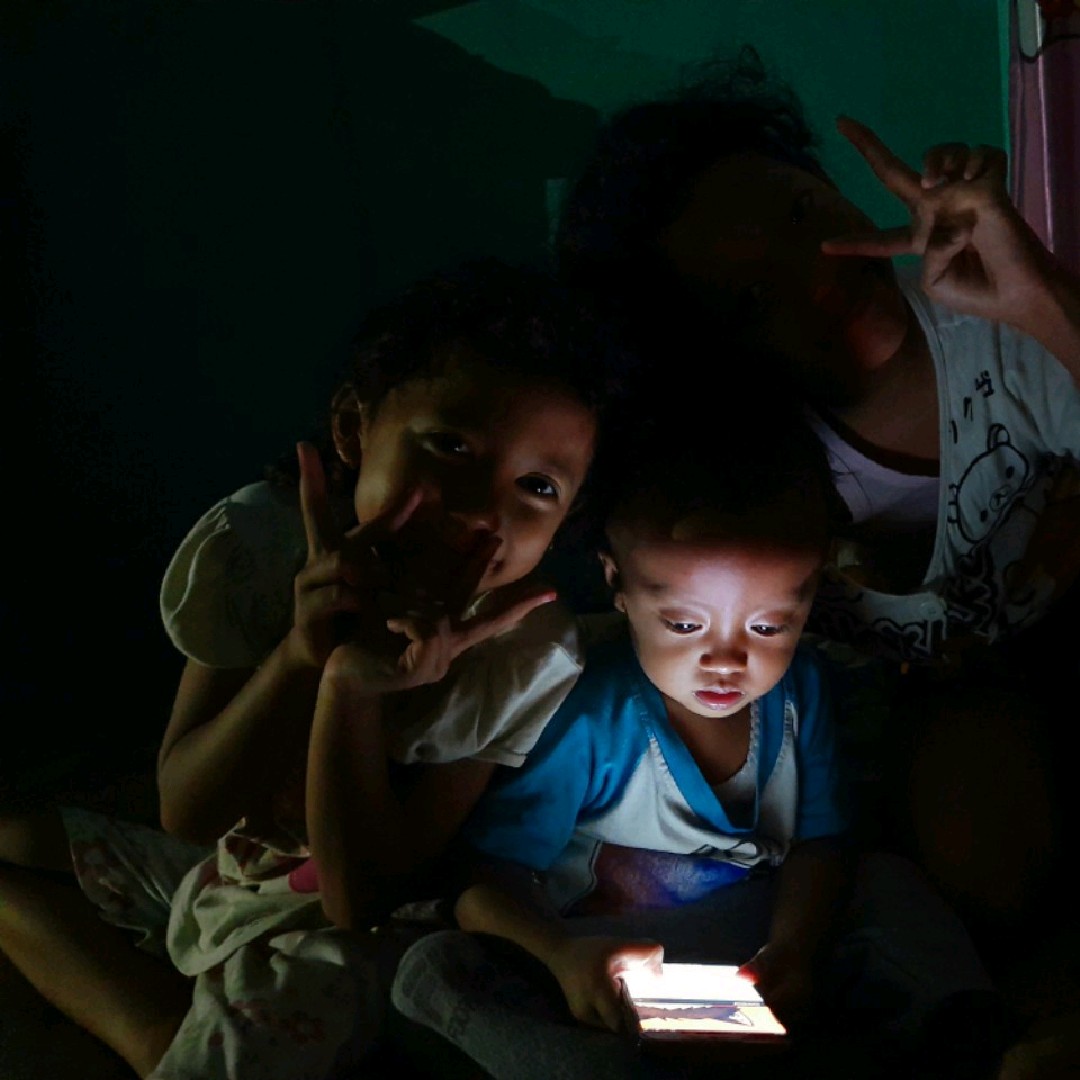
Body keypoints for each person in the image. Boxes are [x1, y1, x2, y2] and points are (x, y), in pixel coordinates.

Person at [553, 48, 1080, 1070]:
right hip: (949, 720)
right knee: (974, 845)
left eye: (805, 215)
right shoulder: (746, 470)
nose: (823, 274)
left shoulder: (1002, 334)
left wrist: (1036, 297)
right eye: (755, 296)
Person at [0, 259, 623, 1079]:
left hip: (353, 930)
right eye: (450, 445)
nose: (481, 506)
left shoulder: (521, 652)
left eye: (537, 485)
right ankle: (161, 1025)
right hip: (231, 867)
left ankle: (165, 1041)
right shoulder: (261, 548)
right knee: (14, 842)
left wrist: (349, 688)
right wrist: (300, 651)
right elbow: (187, 809)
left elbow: (363, 896)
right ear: (354, 430)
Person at [391, 391, 1008, 1080]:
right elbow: (487, 879)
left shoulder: (802, 693)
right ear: (617, 582)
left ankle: (972, 1042)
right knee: (442, 965)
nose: (727, 660)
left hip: (755, 949)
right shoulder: (594, 712)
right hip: (606, 962)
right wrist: (562, 958)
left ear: (812, 593)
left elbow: (821, 845)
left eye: (767, 626)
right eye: (685, 625)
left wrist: (794, 951)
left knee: (887, 885)